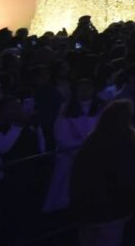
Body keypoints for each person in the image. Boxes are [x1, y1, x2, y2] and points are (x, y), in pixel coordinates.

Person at [70, 99, 135, 246]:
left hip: (84, 207)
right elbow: (124, 178)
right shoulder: (124, 142)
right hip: (110, 209)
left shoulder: (91, 141)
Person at [44, 79, 103, 213]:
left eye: (88, 88)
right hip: (70, 156)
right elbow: (61, 137)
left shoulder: (100, 107)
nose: (85, 92)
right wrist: (81, 148)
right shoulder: (66, 109)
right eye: (81, 89)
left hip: (95, 154)